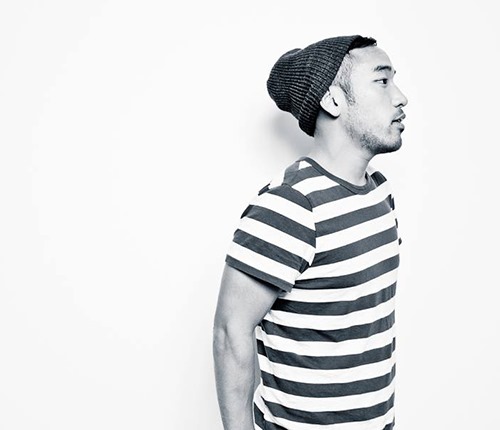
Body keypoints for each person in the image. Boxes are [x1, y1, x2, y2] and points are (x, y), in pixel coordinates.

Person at [213, 34, 408, 430]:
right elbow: (231, 332)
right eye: (382, 81)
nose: (401, 97)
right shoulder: (291, 205)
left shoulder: (380, 192)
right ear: (333, 101)